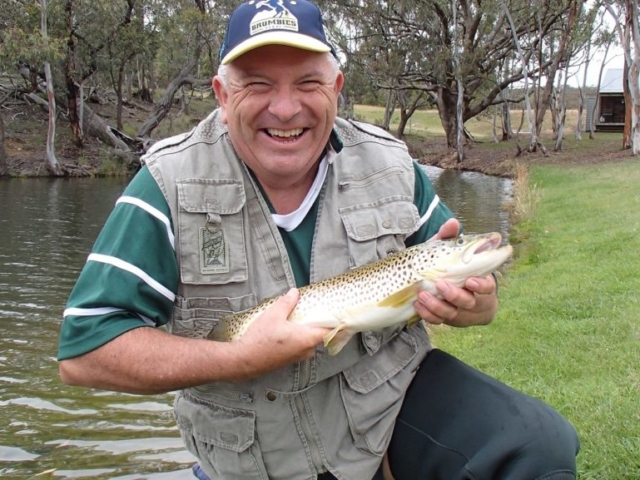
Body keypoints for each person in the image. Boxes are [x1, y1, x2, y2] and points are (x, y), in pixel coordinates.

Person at [57, 1, 580, 479]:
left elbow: (479, 305)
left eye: (307, 82)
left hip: (387, 419)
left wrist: (475, 302)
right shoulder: (165, 185)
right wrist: (238, 358)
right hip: (251, 459)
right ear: (221, 95)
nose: (285, 110)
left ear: (336, 88)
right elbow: (85, 353)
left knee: (539, 446)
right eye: (258, 84)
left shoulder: (392, 164)